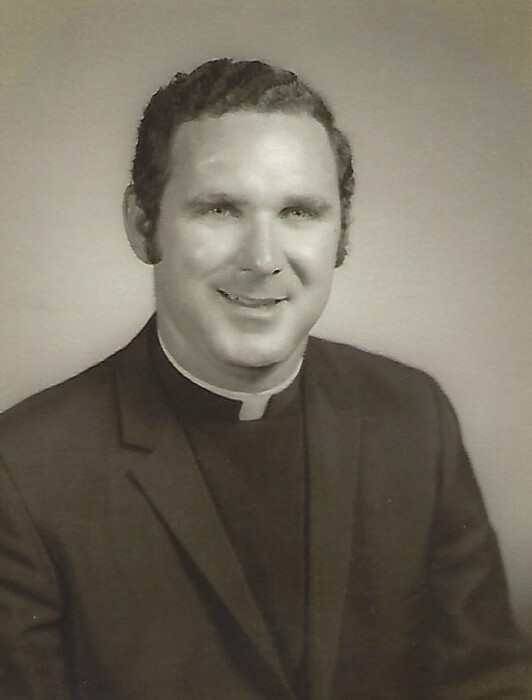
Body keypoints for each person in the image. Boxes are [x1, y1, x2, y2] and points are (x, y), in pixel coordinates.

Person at [0, 58, 529, 700]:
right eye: (221, 209)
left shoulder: (414, 415)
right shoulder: (22, 470)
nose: (262, 259)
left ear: (341, 236)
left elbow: (486, 683)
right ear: (144, 226)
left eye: (299, 212)